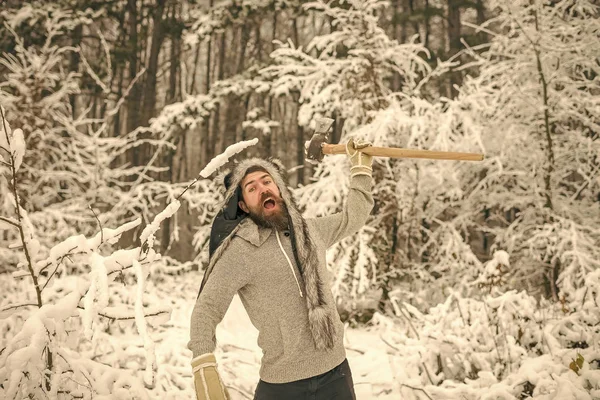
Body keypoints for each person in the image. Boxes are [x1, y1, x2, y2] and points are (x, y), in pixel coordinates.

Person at [188, 139, 374, 400]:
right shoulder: (239, 252)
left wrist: (361, 171)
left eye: (267, 181)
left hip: (336, 374)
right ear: (243, 205)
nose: (262, 189)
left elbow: (352, 217)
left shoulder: (311, 232)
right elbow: (207, 309)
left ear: (279, 189)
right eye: (252, 188)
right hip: (281, 385)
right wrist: (203, 363)